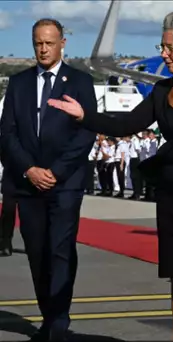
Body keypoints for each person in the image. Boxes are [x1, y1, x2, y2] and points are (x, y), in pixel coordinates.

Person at [47, 12, 173, 341]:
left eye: (170, 47)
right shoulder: (160, 90)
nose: (164, 54)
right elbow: (125, 125)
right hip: (169, 190)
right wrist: (85, 116)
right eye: (163, 46)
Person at [0, 19, 97, 340]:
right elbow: (7, 134)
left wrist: (55, 171)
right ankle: (48, 314)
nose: (43, 49)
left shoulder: (80, 82)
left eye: (49, 43)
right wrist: (29, 169)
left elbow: (85, 134)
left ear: (62, 43)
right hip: (28, 184)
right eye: (38, 43)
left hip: (65, 183)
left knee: (60, 249)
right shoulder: (19, 84)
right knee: (38, 252)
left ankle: (58, 320)